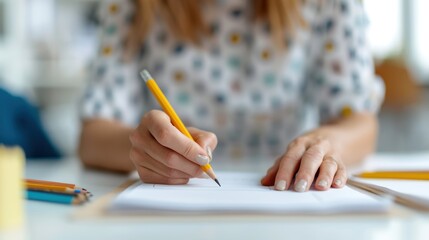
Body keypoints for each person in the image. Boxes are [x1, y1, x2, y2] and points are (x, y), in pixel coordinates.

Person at [78, 0, 384, 192]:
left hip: (288, 206)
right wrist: (142, 147)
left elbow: (359, 120)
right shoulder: (134, 6)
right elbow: (93, 137)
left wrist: (328, 144)